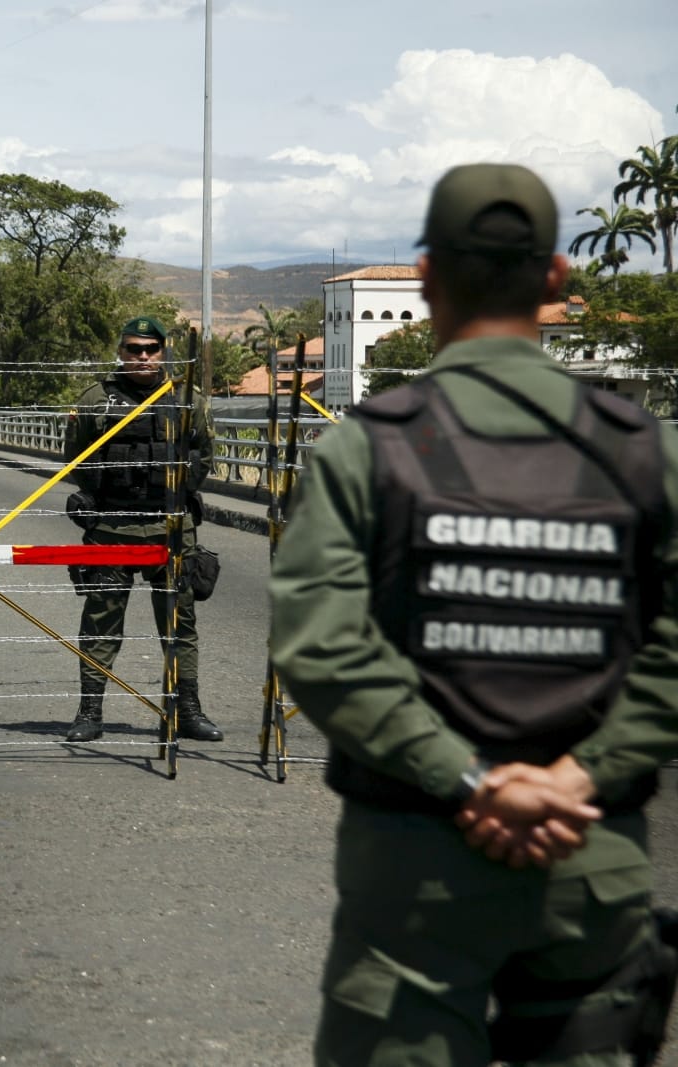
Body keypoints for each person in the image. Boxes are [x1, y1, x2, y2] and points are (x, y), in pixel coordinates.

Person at [270, 164, 678, 1066]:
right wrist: (580, 777)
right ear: (557, 280)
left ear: (424, 278)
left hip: (419, 857)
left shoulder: (368, 448)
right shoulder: (645, 452)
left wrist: (464, 777)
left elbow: (322, 643)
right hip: (590, 846)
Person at [63, 315, 223, 743]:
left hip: (171, 529)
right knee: (100, 623)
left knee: (179, 624)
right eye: (134, 349)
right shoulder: (96, 400)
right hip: (113, 529)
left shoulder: (189, 399)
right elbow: (75, 457)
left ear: (163, 351)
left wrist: (175, 492)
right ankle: (89, 711)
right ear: (121, 352)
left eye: (151, 349)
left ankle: (186, 710)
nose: (143, 357)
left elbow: (203, 455)